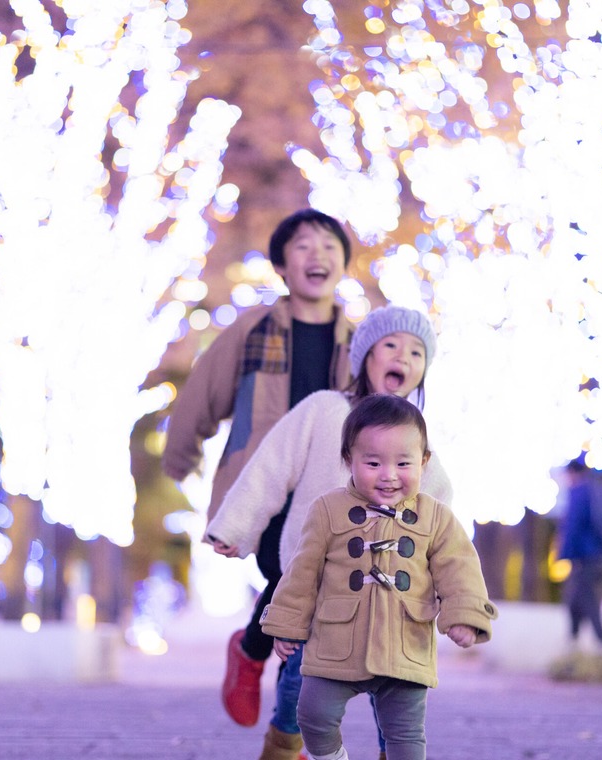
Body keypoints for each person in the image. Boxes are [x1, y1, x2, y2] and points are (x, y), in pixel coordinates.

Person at [207, 306, 448, 760]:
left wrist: (442, 578)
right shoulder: (324, 409)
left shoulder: (414, 436)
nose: (404, 356)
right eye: (391, 345)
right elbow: (271, 466)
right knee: (300, 684)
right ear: (365, 356)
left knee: (396, 689)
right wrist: (236, 525)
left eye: (417, 352)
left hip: (386, 594)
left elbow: (439, 508)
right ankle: (283, 747)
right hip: (314, 581)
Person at [162, 208, 356, 727]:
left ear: (342, 265)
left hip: (327, 483)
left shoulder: (356, 341)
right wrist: (181, 454)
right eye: (303, 246)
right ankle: (262, 676)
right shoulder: (252, 329)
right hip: (264, 480)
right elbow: (203, 393)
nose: (317, 255)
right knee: (288, 574)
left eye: (329, 247)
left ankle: (258, 666)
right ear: (282, 266)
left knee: (305, 583)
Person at [259, 394, 498, 760]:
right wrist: (288, 624)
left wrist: (464, 615)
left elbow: (459, 568)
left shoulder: (435, 518)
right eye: (373, 463)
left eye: (403, 463)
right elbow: (301, 572)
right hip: (335, 642)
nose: (389, 475)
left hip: (405, 643)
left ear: (424, 462)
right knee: (312, 715)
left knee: (405, 735)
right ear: (348, 460)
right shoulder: (327, 510)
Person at [557, 458, 602, 652]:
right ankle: (577, 643)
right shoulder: (598, 490)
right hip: (601, 556)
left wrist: (564, 554)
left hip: (584, 559)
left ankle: (601, 645)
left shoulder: (579, 492)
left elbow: (572, 527)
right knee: (579, 599)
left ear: (572, 473)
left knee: (585, 601)